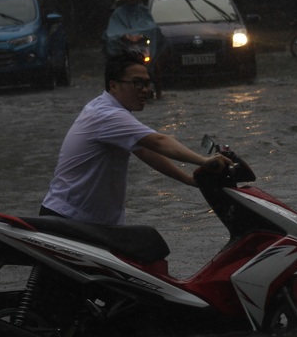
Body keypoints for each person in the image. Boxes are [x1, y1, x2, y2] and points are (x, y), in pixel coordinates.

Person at [40, 53, 230, 225]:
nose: (145, 90)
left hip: (87, 220)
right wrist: (204, 160)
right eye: (137, 83)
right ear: (113, 85)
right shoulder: (107, 115)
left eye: (147, 84)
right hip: (69, 219)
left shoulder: (105, 110)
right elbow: (159, 142)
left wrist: (188, 180)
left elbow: (145, 150)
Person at [104, 0, 165, 97]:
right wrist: (125, 36)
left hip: (143, 45)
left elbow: (151, 26)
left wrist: (141, 35)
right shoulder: (118, 13)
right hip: (125, 46)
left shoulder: (143, 11)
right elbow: (113, 31)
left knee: (155, 61)